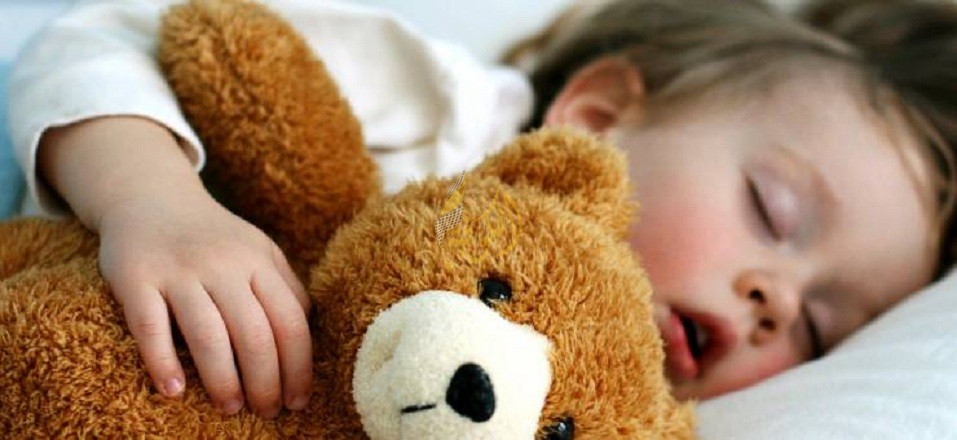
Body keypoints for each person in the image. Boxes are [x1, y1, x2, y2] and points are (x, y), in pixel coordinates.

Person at [6, 0, 956, 419]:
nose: (774, 301)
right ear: (598, 118)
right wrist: (157, 202)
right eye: (772, 211)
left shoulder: (601, 407)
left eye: (820, 327)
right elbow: (111, 39)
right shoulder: (447, 113)